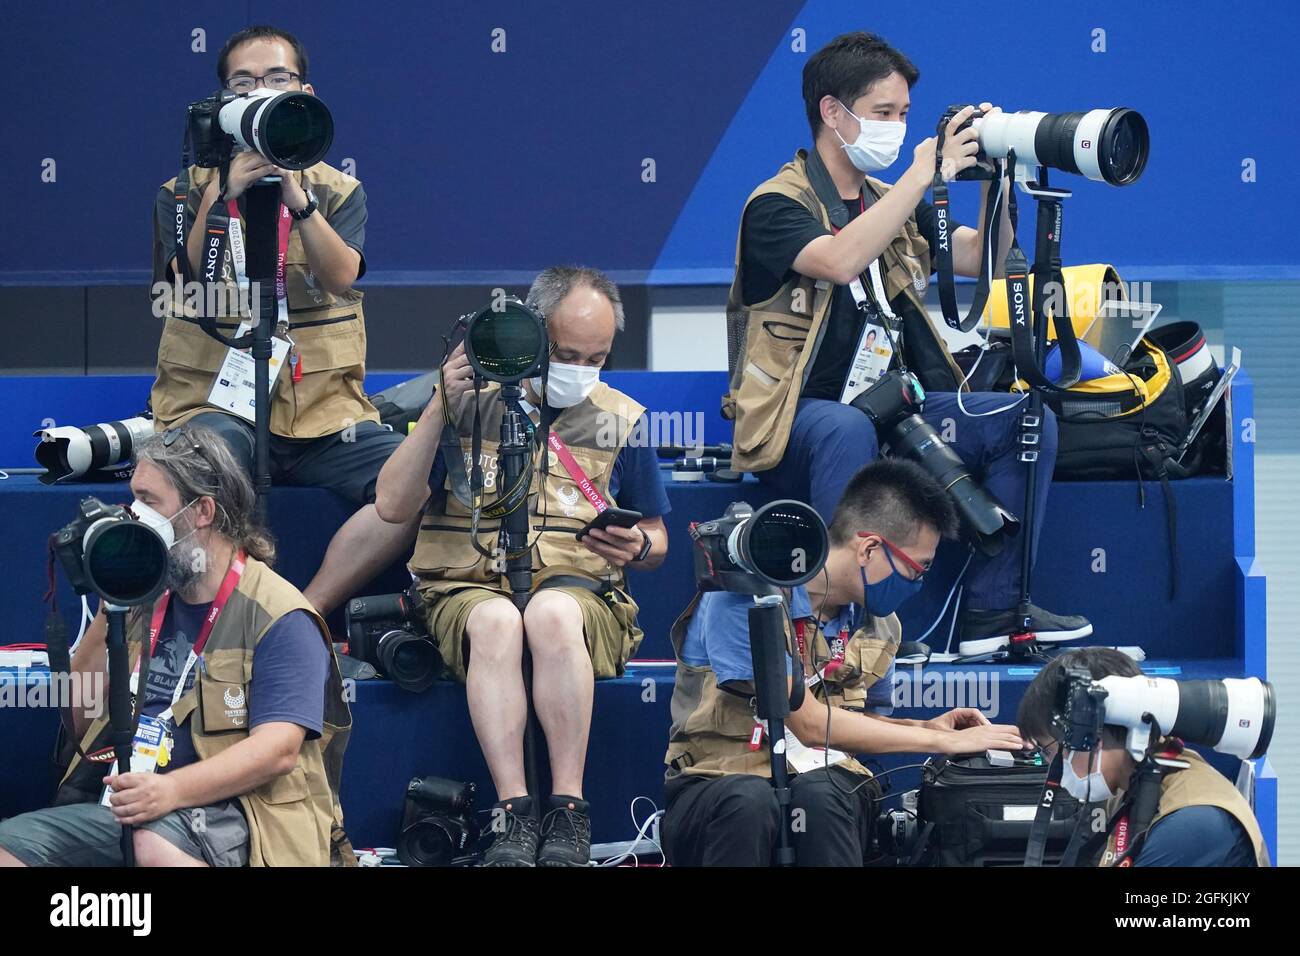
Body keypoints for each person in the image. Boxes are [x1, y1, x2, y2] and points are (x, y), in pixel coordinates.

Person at [726, 31, 1091, 650]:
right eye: (883, 114)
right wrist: (924, 174)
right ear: (833, 113)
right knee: (847, 428)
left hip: (900, 405)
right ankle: (842, 624)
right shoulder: (775, 205)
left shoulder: (888, 199)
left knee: (1026, 419)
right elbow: (841, 259)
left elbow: (986, 257)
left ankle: (993, 611)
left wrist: (995, 182)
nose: (897, 129)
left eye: (904, 115)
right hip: (799, 423)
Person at [375, 266, 670, 867]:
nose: (580, 369)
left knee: (552, 612)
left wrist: (637, 548)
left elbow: (660, 539)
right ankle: (513, 812)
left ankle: (567, 811)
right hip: (467, 590)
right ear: (532, 335)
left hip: (582, 598)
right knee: (499, 622)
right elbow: (391, 504)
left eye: (597, 357)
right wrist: (440, 405)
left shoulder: (621, 416)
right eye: (565, 353)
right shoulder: (465, 406)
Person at [150, 25, 415, 616]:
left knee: (416, 481)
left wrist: (299, 199)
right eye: (243, 83)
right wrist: (221, 196)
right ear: (224, 104)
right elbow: (181, 286)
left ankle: (305, 612)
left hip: (324, 412)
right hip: (215, 405)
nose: (260, 91)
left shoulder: (338, 190)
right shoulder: (182, 191)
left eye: (276, 79)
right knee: (189, 478)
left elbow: (341, 276)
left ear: (303, 91)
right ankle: (221, 619)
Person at [0, 424, 351, 867]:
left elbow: (277, 750)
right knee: (9, 847)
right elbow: (81, 716)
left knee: (152, 845)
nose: (132, 513)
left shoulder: (279, 614)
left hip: (239, 812)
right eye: (133, 498)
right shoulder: (146, 598)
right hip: (136, 803)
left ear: (202, 510)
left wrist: (171, 791)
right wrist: (113, 599)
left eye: (148, 501)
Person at [661, 459, 1026, 867]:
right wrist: (944, 742)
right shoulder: (746, 593)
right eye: (917, 567)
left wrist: (923, 726)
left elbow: (856, 721)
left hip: (827, 779)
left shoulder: (883, 626)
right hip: (716, 780)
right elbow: (808, 722)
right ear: (869, 548)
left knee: (825, 795)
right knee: (750, 802)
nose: (919, 580)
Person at [1017, 647, 1270, 867]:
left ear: (1091, 733)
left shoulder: (1193, 823)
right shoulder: (1140, 780)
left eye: (1048, 750)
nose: (1052, 765)